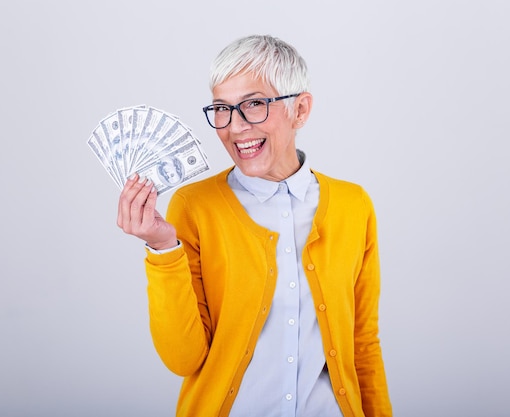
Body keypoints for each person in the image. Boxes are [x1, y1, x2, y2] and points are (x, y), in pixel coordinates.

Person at [117, 34, 392, 417]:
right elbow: (183, 360)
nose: (235, 127)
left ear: (301, 110)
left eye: (255, 105)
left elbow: (362, 344)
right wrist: (163, 248)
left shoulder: (352, 205)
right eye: (222, 109)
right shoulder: (194, 207)